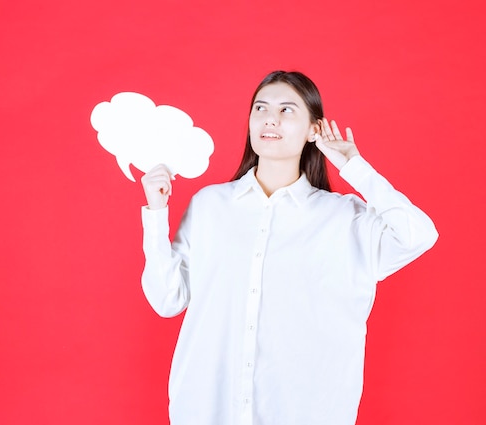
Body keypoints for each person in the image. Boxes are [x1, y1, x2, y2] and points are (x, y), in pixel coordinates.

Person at [140, 71, 438, 425]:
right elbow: (167, 300)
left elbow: (418, 235)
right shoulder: (210, 206)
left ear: (314, 129)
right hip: (207, 409)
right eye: (261, 108)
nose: (271, 118)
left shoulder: (343, 219)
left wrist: (354, 166)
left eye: (286, 110)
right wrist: (156, 214)